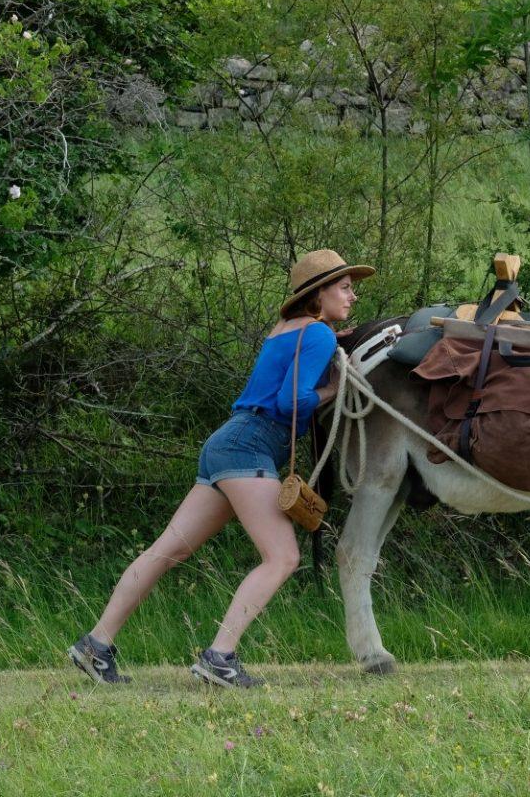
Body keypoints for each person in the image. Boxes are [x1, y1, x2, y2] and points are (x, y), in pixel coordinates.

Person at [67, 249, 374, 688]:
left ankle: (95, 646)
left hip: (226, 444)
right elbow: (292, 402)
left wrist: (327, 345)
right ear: (318, 293)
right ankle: (219, 658)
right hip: (250, 447)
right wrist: (332, 388)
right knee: (283, 557)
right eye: (344, 287)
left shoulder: (287, 330)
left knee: (165, 551)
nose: (353, 295)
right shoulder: (319, 336)